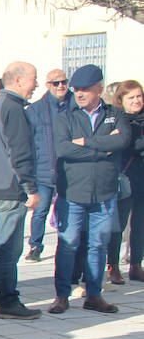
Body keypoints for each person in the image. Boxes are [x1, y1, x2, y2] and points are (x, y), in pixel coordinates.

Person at [50, 65, 130, 314]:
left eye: (85, 89)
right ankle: (62, 295)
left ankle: (94, 294)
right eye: (76, 89)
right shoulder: (66, 116)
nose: (79, 93)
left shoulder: (115, 114)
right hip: (72, 191)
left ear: (99, 89)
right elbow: (63, 149)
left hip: (105, 192)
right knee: (69, 243)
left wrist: (85, 143)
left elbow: (122, 141)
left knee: (98, 244)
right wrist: (103, 149)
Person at [0, 62, 41, 317]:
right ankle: (9, 300)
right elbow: (20, 153)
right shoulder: (12, 109)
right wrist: (31, 188)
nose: (36, 84)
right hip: (8, 188)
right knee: (8, 247)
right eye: (34, 78)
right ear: (19, 81)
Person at [27, 68, 73, 261]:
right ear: (48, 85)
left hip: (70, 171)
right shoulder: (36, 109)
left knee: (69, 212)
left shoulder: (75, 106)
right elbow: (28, 142)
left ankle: (68, 247)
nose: (61, 86)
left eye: (64, 82)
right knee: (40, 211)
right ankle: (35, 246)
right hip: (44, 171)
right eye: (56, 83)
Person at [106, 80, 144, 283]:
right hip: (125, 179)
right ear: (121, 100)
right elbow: (128, 144)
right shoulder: (118, 120)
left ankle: (136, 265)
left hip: (142, 178)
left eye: (139, 96)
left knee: (140, 225)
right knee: (118, 226)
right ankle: (113, 266)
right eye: (132, 97)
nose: (137, 101)